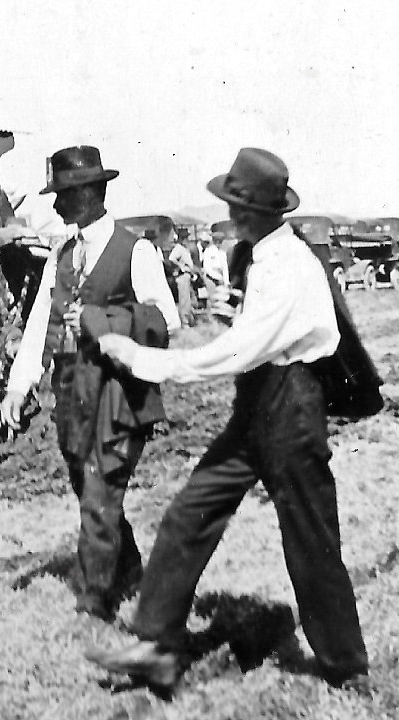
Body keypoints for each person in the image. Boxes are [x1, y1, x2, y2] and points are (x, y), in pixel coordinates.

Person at [87, 148, 369, 690]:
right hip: (259, 404)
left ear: (267, 212)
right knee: (190, 512)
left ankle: (345, 665)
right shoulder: (262, 254)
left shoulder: (289, 266)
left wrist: (142, 359)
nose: (231, 215)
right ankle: (158, 644)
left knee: (310, 540)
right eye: (230, 203)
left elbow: (237, 351)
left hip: (291, 406)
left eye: (239, 206)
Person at [0, 145, 180, 620]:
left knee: (100, 492)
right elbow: (41, 321)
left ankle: (95, 599)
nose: (56, 205)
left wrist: (103, 321)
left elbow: (167, 319)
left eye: (62, 195)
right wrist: (20, 385)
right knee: (92, 489)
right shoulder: (60, 255)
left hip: (119, 395)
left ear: (88, 194)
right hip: (72, 397)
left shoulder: (135, 250)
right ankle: (131, 570)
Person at [168, 235, 196, 327]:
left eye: (186, 237)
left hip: (188, 275)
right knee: (184, 300)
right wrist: (181, 267)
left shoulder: (184, 249)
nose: (186, 240)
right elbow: (171, 259)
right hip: (182, 276)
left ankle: (190, 319)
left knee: (189, 299)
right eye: (184, 238)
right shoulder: (178, 248)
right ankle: (184, 322)